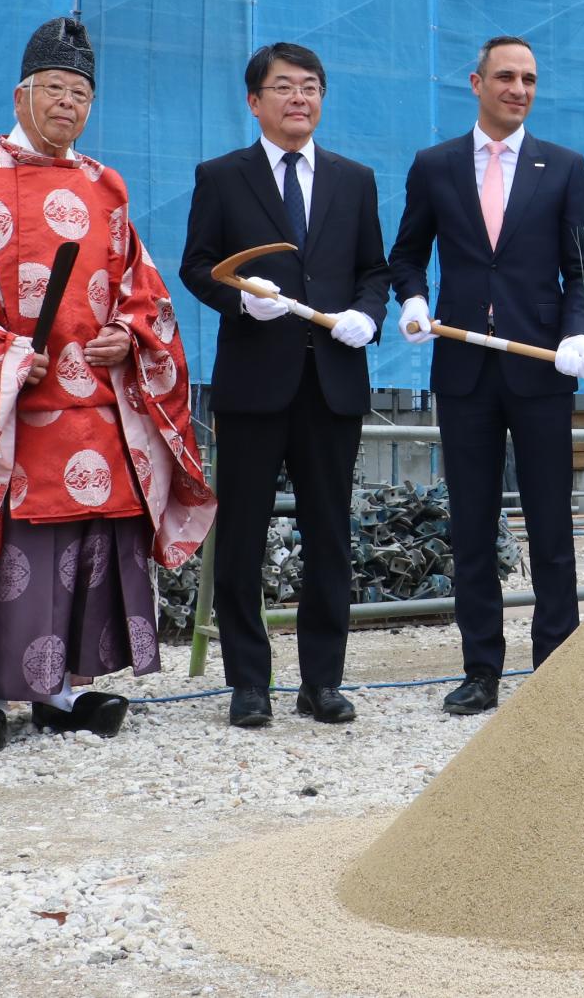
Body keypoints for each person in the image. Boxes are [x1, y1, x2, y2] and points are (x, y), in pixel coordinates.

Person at [0, 17, 215, 753]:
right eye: (53, 89)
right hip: (11, 406)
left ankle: (62, 689)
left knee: (84, 550)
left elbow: (143, 290)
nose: (67, 105)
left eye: (80, 93)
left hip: (94, 407)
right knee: (9, 549)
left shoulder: (104, 185)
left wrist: (131, 336)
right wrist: (3, 354)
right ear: (21, 95)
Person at [179, 42, 391, 730]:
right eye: (284, 87)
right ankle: (249, 683)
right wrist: (243, 302)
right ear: (254, 101)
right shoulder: (223, 176)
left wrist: (368, 314)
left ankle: (322, 682)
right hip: (254, 381)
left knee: (330, 534)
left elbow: (374, 268)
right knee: (240, 535)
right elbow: (198, 265)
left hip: (331, 382)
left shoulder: (353, 180)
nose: (299, 98)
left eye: (310, 87)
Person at [388, 35, 584, 714]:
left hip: (541, 368)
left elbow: (580, 268)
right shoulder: (436, 165)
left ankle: (557, 664)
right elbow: (408, 254)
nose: (519, 88)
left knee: (550, 522)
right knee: (472, 523)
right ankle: (481, 668)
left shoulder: (562, 167)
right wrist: (414, 301)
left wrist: (577, 333)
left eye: (530, 78)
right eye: (505, 76)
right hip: (465, 368)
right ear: (476, 83)